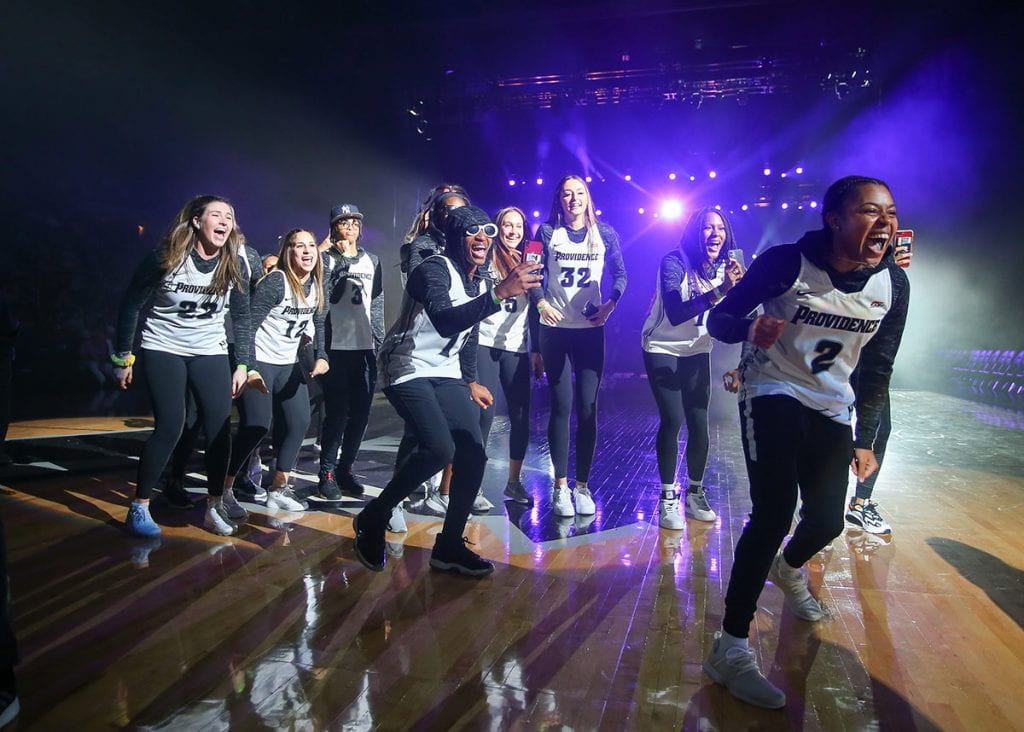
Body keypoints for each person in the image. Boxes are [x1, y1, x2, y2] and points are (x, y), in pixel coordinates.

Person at [701, 176, 910, 708]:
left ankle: (788, 567)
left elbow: (878, 368)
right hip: (772, 388)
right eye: (869, 211)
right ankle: (729, 648)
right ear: (834, 219)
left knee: (827, 522)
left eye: (889, 213)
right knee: (773, 513)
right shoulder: (785, 263)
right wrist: (750, 331)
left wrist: (867, 438)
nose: (883, 222)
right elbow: (718, 318)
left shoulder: (894, 285)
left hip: (831, 404)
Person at [355, 205, 540, 575]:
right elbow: (443, 321)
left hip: (445, 370)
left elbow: (468, 334)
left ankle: (449, 545)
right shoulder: (432, 269)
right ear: (456, 237)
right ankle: (376, 515)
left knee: (473, 453)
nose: (482, 239)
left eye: (486, 232)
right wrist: (500, 293)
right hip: (406, 366)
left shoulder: (482, 279)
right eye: (472, 232)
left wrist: (470, 380)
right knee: (440, 448)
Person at [115, 195, 256, 537]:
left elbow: (241, 314)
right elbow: (132, 304)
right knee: (172, 426)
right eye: (216, 215)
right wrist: (123, 357)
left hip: (209, 349)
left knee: (221, 426)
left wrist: (243, 364)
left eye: (230, 216)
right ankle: (140, 506)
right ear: (196, 221)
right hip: (164, 346)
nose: (224, 221)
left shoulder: (233, 262)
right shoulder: (166, 257)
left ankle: (213, 505)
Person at [530, 175, 627, 517]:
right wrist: (542, 303)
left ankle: (582, 486)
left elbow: (621, 275)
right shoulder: (545, 232)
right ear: (559, 199)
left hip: (589, 330)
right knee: (560, 406)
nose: (574, 199)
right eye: (567, 193)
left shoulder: (606, 233)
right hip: (554, 330)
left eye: (580, 193)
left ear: (588, 198)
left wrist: (609, 306)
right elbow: (531, 273)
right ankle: (560, 487)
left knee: (588, 409)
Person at [642, 207, 743, 528]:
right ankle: (667, 497)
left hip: (698, 348)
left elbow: (736, 312)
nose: (715, 234)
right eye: (707, 228)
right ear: (695, 232)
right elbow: (675, 312)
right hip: (662, 346)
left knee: (700, 422)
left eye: (720, 228)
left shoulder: (728, 267)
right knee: (673, 419)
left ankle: (695, 493)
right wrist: (722, 290)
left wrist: (740, 289)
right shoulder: (674, 261)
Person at [222, 229, 329, 513]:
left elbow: (319, 323)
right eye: (298, 246)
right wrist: (249, 366)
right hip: (262, 362)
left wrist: (322, 356)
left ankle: (278, 488)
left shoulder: (318, 284)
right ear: (288, 252)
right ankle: (224, 488)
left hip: (288, 363)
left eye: (310, 246)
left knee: (299, 422)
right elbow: (248, 325)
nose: (306, 251)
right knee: (256, 426)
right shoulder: (276, 282)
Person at [398, 184, 469, 515]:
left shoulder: (466, 249)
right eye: (447, 210)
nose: (454, 216)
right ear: (434, 216)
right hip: (417, 352)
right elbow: (434, 301)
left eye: (460, 211)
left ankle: (439, 491)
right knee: (417, 431)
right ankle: (396, 500)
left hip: (448, 357)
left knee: (452, 434)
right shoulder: (424, 248)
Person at [315, 204, 385, 503]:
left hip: (364, 348)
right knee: (337, 414)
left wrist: (381, 343)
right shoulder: (325, 260)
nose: (350, 227)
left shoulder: (373, 260)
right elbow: (325, 297)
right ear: (334, 228)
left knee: (360, 415)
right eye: (343, 222)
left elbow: (377, 303)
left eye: (355, 221)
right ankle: (326, 472)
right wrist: (340, 259)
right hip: (336, 347)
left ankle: (345, 468)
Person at [476, 206, 543, 508]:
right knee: (484, 416)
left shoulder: (532, 260)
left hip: (516, 347)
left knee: (520, 417)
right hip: (485, 343)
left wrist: (537, 349)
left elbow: (538, 309)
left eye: (518, 226)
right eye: (507, 225)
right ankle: (472, 484)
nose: (513, 231)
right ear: (497, 227)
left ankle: (514, 483)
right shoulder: (486, 255)